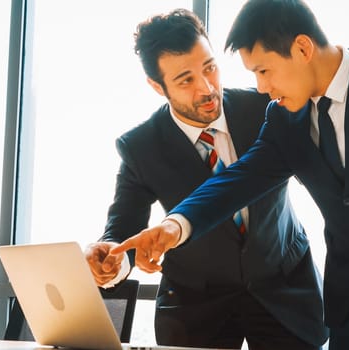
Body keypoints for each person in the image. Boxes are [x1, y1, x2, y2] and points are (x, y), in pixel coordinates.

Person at [111, 1, 349, 349]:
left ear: (303, 49)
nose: (260, 87)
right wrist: (176, 226)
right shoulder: (283, 119)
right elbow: (238, 179)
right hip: (348, 316)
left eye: (263, 70)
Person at [84, 8, 328, 350]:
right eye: (185, 79)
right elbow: (123, 227)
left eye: (210, 68)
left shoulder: (267, 108)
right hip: (196, 309)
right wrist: (113, 260)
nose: (207, 88)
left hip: (285, 291)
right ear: (157, 86)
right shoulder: (140, 147)